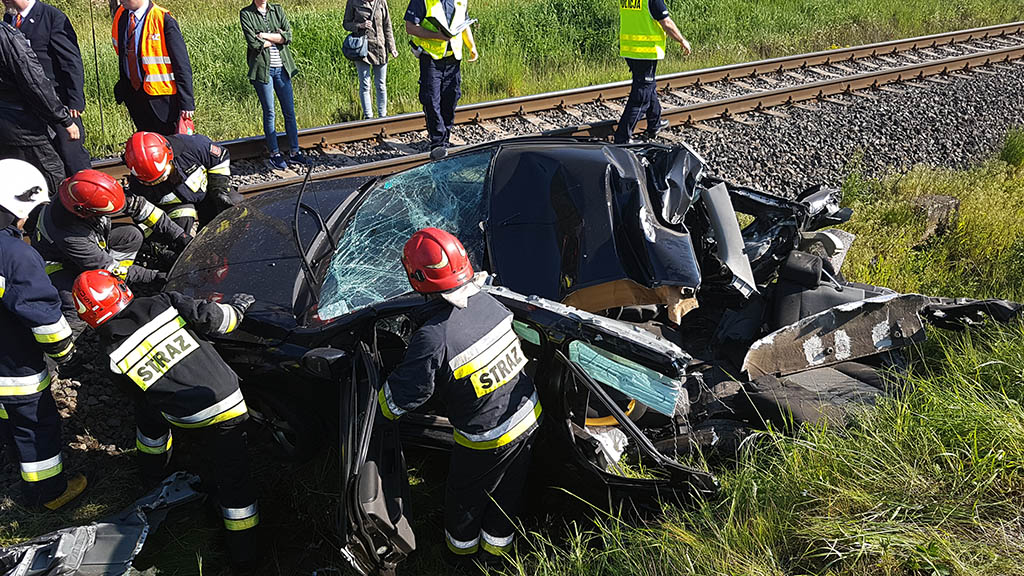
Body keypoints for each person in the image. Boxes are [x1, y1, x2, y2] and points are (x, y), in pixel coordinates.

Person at [72, 269, 259, 568]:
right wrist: (237, 307)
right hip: (228, 401)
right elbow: (215, 320)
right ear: (120, 289)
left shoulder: (111, 357)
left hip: (186, 419)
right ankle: (246, 557)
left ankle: (154, 474)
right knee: (235, 484)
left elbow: (139, 394)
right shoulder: (162, 302)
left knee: (147, 414)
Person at [378, 228, 540, 566]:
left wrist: (380, 410)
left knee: (465, 498)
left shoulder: (433, 337)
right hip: (528, 413)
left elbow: (409, 394)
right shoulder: (490, 301)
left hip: (488, 437)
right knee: (507, 491)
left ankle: (460, 558)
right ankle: (496, 558)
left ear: (417, 278)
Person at [0, 159, 85, 511]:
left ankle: (12, 454)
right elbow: (47, 322)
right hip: (14, 367)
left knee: (6, 418)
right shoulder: (16, 256)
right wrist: (67, 356)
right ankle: (47, 494)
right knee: (36, 425)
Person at [33, 169, 188, 340]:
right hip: (59, 265)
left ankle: (119, 287)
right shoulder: (69, 233)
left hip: (92, 243)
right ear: (86, 212)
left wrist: (180, 236)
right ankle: (67, 346)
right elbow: (109, 268)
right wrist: (156, 276)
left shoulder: (84, 190)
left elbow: (141, 208)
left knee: (131, 235)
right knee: (74, 303)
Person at [3, 0, 91, 175]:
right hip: (28, 104)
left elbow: (71, 61)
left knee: (71, 155)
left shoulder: (51, 17)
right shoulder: (9, 19)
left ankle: (86, 189)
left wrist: (75, 101)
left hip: (57, 100)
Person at [0, 20, 79, 195]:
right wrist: (64, 119)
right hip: (21, 127)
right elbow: (34, 82)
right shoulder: (6, 36)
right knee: (53, 184)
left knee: (9, 188)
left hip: (7, 126)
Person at [123, 131, 237, 237]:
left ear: (169, 156)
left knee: (235, 205)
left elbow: (219, 159)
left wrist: (219, 189)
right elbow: (145, 216)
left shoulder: (190, 145)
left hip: (210, 189)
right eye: (154, 182)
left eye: (164, 174)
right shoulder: (138, 186)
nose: (162, 180)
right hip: (180, 205)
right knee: (181, 219)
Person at [240, 0, 310, 171]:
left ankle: (295, 152)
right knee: (270, 112)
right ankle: (275, 154)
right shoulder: (246, 14)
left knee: (289, 111)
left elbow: (288, 36)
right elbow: (253, 43)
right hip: (263, 70)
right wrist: (276, 37)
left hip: (283, 69)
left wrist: (263, 35)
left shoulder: (277, 10)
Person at [404, 0, 478, 159]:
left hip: (453, 59)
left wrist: (471, 46)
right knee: (431, 100)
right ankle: (438, 143)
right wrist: (436, 36)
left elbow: (464, 24)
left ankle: (445, 138)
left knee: (451, 98)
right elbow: (410, 27)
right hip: (431, 58)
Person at [111, 0, 195, 135]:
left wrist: (187, 102)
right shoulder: (122, 16)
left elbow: (181, 64)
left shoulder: (163, 19)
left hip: (162, 101)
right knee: (145, 143)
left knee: (169, 143)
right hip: (135, 96)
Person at [613, 0, 691, 144]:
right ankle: (623, 138)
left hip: (629, 49)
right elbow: (666, 23)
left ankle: (655, 124)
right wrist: (682, 40)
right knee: (641, 96)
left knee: (648, 86)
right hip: (646, 52)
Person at [344, 0, 398, 120]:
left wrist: (392, 47)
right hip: (362, 49)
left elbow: (387, 26)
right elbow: (346, 24)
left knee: (381, 85)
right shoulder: (353, 2)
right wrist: (360, 26)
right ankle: (369, 117)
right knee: (365, 84)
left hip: (380, 48)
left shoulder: (381, 2)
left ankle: (382, 116)